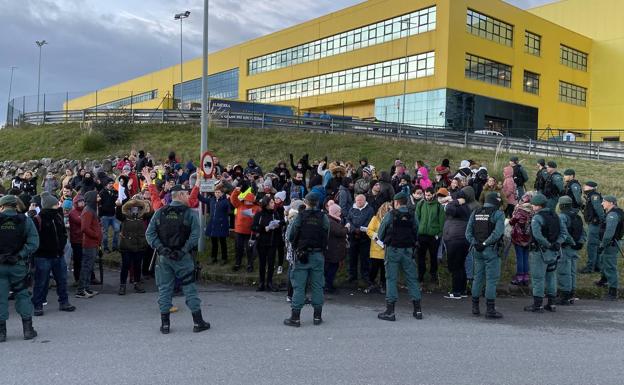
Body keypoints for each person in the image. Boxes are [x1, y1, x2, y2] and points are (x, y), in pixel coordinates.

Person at [146, 184, 210, 334]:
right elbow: (195, 235)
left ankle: (165, 325)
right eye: (186, 194)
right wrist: (183, 250)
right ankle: (198, 322)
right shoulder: (188, 214)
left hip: (164, 258)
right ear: (180, 195)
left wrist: (161, 249)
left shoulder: (160, 212)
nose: (188, 197)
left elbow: (150, 234)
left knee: (164, 289)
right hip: (183, 258)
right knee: (190, 289)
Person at [284, 192, 329, 327]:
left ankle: (295, 317)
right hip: (318, 255)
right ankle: (317, 316)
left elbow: (291, 236)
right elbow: (326, 234)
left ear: (306, 202)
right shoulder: (324, 217)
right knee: (317, 285)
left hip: (302, 254)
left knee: (298, 286)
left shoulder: (300, 216)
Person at [377, 192, 423, 321]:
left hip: (393, 250)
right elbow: (417, 230)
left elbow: (380, 234)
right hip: (408, 250)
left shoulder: (390, 215)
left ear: (396, 202)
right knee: (412, 279)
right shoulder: (412, 215)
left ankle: (390, 311)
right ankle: (417, 310)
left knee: (391, 279)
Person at [0, 195, 40, 342]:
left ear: (2, 206)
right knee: (22, 295)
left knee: (0, 297)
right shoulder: (25, 220)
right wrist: (20, 255)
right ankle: (28, 330)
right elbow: (34, 243)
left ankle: (1, 333)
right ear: (15, 206)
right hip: (18, 265)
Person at [31, 193, 76, 316]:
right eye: (56, 204)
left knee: (62, 280)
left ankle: (64, 302)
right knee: (41, 281)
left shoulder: (57, 217)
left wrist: (61, 245)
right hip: (43, 256)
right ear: (50, 206)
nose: (59, 205)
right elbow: (33, 237)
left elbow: (62, 233)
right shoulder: (38, 219)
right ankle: (38, 305)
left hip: (58, 254)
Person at [524, 193, 567, 313]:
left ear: (538, 206)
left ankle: (537, 305)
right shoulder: (556, 216)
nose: (532, 206)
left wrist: (548, 245)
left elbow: (537, 236)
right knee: (551, 277)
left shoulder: (537, 218)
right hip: (554, 252)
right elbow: (564, 233)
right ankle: (551, 304)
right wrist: (557, 243)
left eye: (533, 205)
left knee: (538, 278)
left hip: (540, 252)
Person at [465, 192, 505, 319]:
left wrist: (476, 243)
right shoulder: (498, 214)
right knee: (491, 280)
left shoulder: (476, 212)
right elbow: (497, 233)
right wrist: (485, 243)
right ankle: (490, 310)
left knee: (478, 278)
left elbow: (468, 232)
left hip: (476, 250)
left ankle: (475, 308)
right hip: (491, 250)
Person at [116, 198, 150, 295]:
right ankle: (122, 285)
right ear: (129, 208)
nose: (135, 210)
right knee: (125, 265)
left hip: (139, 245)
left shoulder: (142, 216)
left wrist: (145, 204)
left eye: (137, 208)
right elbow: (118, 215)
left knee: (137, 265)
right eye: (133, 208)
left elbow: (150, 213)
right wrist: (118, 206)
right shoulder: (125, 216)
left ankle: (137, 283)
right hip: (126, 245)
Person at [556, 196, 586, 305]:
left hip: (566, 247)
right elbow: (583, 232)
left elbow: (564, 233)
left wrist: (572, 242)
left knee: (564, 272)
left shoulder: (562, 217)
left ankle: (564, 295)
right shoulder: (577, 216)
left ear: (561, 205)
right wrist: (580, 243)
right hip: (575, 248)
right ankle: (571, 294)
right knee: (572, 272)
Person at [442, 190, 471, 299]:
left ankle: (456, 292)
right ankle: (462, 290)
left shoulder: (457, 207)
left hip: (455, 240)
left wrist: (453, 201)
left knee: (455, 266)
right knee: (460, 265)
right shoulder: (466, 208)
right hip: (462, 240)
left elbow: (449, 209)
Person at [251, 196, 284, 292]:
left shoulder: (275, 213)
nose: (273, 204)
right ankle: (261, 282)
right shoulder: (259, 214)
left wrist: (278, 224)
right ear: (266, 204)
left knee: (271, 263)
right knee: (262, 263)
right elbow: (253, 227)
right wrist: (264, 229)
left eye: (273, 202)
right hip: (262, 242)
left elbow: (281, 222)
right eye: (271, 203)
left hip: (272, 242)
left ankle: (269, 282)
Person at [415, 187, 445, 285]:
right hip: (422, 235)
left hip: (433, 236)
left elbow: (442, 223)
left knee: (433, 257)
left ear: (433, 194)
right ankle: (420, 276)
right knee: (421, 257)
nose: (427, 197)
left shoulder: (438, 207)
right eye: (425, 195)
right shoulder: (421, 204)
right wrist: (418, 231)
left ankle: (433, 275)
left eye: (429, 195)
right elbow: (417, 218)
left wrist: (438, 235)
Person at [596, 196, 623, 301]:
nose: (602, 204)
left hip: (610, 244)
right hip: (611, 243)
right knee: (604, 262)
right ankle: (604, 280)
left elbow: (609, 233)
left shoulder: (612, 215)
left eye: (604, 202)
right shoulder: (617, 212)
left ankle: (613, 292)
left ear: (611, 203)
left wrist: (603, 245)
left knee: (610, 267)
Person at [75, 190, 101, 299]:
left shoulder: (91, 209)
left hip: (93, 243)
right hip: (89, 243)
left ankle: (86, 288)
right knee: (86, 267)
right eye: (97, 196)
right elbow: (84, 228)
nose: (99, 197)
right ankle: (81, 290)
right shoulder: (88, 211)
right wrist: (96, 235)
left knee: (89, 267)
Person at [198, 184, 231, 265]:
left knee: (223, 242)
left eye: (218, 192)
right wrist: (196, 190)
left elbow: (230, 210)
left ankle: (224, 258)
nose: (217, 193)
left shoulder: (226, 201)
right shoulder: (211, 200)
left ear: (222, 193)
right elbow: (202, 199)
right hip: (213, 224)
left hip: (222, 225)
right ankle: (214, 257)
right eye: (215, 192)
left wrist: (229, 199)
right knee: (214, 242)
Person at [346, 194, 374, 286]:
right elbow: (348, 220)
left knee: (365, 258)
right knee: (352, 257)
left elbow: (370, 221)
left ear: (364, 201)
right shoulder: (352, 209)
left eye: (361, 200)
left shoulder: (370, 209)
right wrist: (354, 229)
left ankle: (365, 276)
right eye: (357, 200)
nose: (359, 202)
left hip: (365, 237)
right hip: (353, 237)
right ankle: (352, 276)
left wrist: (361, 229)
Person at [230, 187, 260, 272]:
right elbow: (232, 198)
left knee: (249, 249)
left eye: (250, 201)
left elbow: (261, 217)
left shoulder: (257, 208)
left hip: (250, 232)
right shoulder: (239, 204)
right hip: (239, 231)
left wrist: (255, 218)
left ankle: (250, 265)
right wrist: (236, 191)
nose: (248, 202)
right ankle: (237, 263)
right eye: (247, 200)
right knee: (238, 248)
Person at [365, 202, 392, 294]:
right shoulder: (375, 219)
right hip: (376, 249)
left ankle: (382, 285)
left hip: (386, 249)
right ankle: (371, 284)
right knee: (373, 269)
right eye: (388, 209)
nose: (389, 211)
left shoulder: (392, 220)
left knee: (384, 270)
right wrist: (376, 236)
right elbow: (369, 230)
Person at [580, 181, 605, 274]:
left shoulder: (594, 196)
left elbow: (599, 210)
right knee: (597, 245)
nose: (584, 187)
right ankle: (597, 266)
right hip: (595, 223)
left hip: (595, 224)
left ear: (591, 187)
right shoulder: (591, 195)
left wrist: (603, 221)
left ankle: (590, 267)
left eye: (585, 186)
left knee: (591, 245)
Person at [509, 193, 533, 286]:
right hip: (528, 238)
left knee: (519, 257)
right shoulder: (532, 211)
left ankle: (519, 277)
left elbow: (512, 222)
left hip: (518, 237)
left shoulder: (519, 211)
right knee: (526, 257)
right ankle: (526, 277)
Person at [325, 203, 347, 294]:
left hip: (331, 249)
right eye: (339, 212)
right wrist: (347, 228)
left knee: (330, 268)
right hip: (332, 250)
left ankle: (328, 285)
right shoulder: (332, 222)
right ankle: (328, 286)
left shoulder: (330, 220)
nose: (340, 213)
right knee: (331, 268)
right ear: (335, 212)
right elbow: (340, 232)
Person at [99, 180, 120, 253]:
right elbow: (99, 204)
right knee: (105, 233)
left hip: (114, 215)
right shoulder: (102, 193)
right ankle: (105, 248)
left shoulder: (115, 192)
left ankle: (115, 246)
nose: (111, 185)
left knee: (117, 230)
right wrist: (100, 214)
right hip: (105, 216)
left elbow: (118, 200)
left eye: (112, 183)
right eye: (109, 183)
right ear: (106, 185)